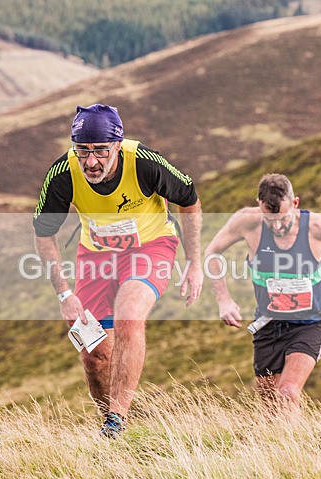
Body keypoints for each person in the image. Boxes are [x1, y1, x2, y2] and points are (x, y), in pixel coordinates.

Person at [32, 104, 202, 436]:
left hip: (150, 246)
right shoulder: (63, 173)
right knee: (94, 357)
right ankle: (112, 428)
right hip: (95, 257)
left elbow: (190, 198)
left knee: (129, 314)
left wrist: (194, 262)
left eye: (100, 151)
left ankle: (117, 419)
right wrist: (64, 294)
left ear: (117, 146)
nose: (90, 161)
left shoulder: (145, 164)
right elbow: (44, 234)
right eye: (82, 151)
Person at [204, 173, 321, 409]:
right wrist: (224, 299)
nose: (277, 226)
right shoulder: (247, 221)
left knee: (287, 393)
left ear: (295, 203)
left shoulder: (317, 227)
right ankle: (283, 444)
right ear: (259, 205)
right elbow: (212, 253)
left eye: (282, 219)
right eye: (269, 220)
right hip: (268, 325)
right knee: (271, 404)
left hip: (308, 324)